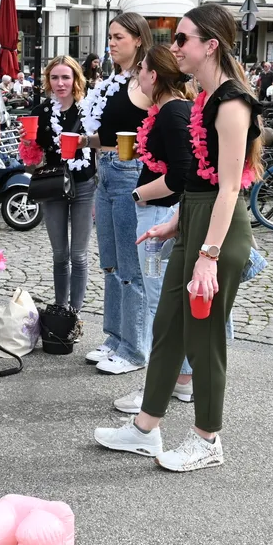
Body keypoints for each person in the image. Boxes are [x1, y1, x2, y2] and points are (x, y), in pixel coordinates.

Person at [95, 2, 262, 473]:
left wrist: (207, 255)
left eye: (183, 39)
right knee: (167, 325)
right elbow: (200, 182)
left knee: (205, 337)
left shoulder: (231, 102)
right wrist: (177, 223)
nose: (174, 48)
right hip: (196, 219)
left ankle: (208, 439)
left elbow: (229, 187)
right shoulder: (206, 100)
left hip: (219, 233)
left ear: (210, 45)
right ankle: (146, 429)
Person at [114, 44, 194, 415]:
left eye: (141, 69)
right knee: (163, 299)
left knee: (159, 302)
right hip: (160, 214)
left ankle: (156, 388)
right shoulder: (168, 111)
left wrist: (137, 192)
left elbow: (180, 175)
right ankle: (180, 378)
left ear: (154, 76)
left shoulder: (172, 113)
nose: (137, 75)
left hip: (161, 216)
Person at [82, 12, 153, 376]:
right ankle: (114, 337)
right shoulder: (110, 82)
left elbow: (157, 130)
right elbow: (108, 134)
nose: (111, 43)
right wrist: (83, 141)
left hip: (128, 174)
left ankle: (135, 348)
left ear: (139, 39)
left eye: (119, 36)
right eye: (110, 36)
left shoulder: (146, 81)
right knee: (110, 262)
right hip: (104, 170)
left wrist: (139, 152)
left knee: (131, 265)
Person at [29, 55, 94, 319]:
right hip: (53, 184)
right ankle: (60, 307)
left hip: (85, 183)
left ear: (76, 79)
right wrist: (27, 144)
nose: (60, 83)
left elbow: (102, 146)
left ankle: (75, 313)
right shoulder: (42, 112)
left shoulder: (89, 109)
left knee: (78, 255)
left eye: (66, 77)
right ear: (48, 80)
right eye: (54, 77)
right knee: (59, 254)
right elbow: (32, 157)